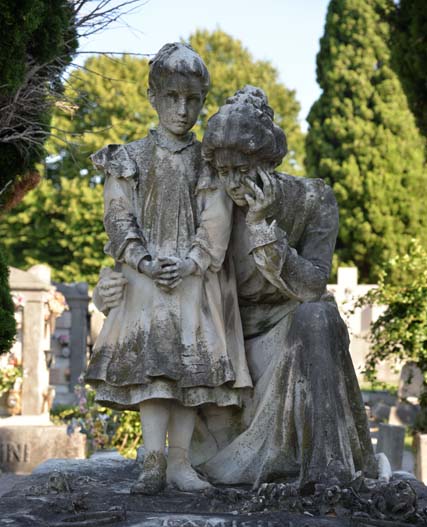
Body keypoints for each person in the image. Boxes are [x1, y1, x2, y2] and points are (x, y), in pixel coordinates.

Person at [94, 85, 378, 494]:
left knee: (319, 315)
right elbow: (156, 248)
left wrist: (264, 230)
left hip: (285, 342)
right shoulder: (208, 201)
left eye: (242, 169)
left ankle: (326, 473)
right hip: (222, 346)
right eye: (222, 171)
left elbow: (313, 286)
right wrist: (109, 288)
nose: (231, 182)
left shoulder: (312, 199)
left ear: (268, 162)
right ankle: (175, 459)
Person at [86, 45, 251, 495]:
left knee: (188, 374)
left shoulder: (208, 162)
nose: (182, 109)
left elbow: (216, 218)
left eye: (193, 100)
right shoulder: (130, 157)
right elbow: (118, 216)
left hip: (194, 280)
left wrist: (193, 261)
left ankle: (179, 462)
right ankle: (152, 461)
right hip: (145, 280)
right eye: (172, 97)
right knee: (153, 373)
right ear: (152, 97)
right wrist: (141, 259)